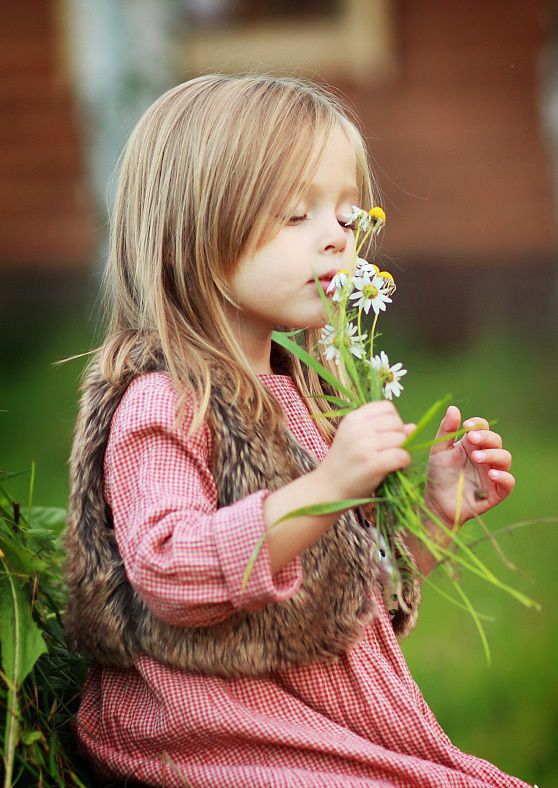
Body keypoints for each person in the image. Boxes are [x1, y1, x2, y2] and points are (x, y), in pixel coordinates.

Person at [64, 74, 530, 787]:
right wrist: (327, 488)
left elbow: (343, 604)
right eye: (295, 214)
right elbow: (168, 571)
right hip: (216, 743)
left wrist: (433, 520)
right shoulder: (166, 401)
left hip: (314, 727)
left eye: (348, 213)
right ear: (192, 234)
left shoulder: (307, 397)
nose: (340, 235)